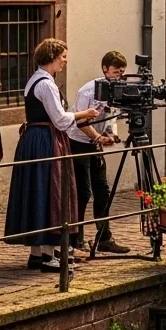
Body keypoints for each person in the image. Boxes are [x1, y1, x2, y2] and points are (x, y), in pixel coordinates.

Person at [5, 39, 100, 272]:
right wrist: (82, 114)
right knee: (51, 192)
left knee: (39, 190)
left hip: (36, 139)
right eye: (63, 56)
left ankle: (37, 254)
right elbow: (59, 119)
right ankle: (48, 256)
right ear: (53, 57)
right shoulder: (45, 84)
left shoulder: (34, 80)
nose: (65, 60)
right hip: (45, 140)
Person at [67, 51, 129, 254]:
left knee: (102, 190)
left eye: (121, 72)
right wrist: (98, 138)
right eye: (115, 72)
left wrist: (111, 134)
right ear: (105, 69)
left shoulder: (115, 89)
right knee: (83, 192)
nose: (118, 76)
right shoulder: (88, 91)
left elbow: (111, 116)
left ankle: (104, 237)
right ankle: (75, 239)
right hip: (78, 141)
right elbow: (81, 121)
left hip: (94, 143)